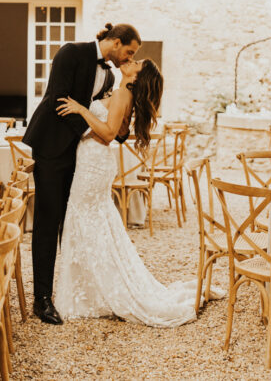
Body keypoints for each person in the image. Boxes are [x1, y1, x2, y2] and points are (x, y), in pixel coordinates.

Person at [53, 59, 215, 327]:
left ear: (137, 77)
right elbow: (121, 132)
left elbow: (107, 134)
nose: (131, 60)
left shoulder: (120, 94)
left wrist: (82, 109)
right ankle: (90, 291)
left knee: (84, 221)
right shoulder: (122, 94)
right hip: (96, 161)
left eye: (137, 62)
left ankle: (89, 295)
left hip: (94, 162)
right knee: (95, 223)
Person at [22, 22, 141, 324]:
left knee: (72, 223)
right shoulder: (70, 53)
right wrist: (96, 128)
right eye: (128, 52)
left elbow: (101, 115)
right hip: (50, 148)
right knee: (48, 221)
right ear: (115, 42)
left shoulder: (111, 75)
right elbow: (59, 101)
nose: (128, 59)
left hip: (81, 155)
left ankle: (71, 292)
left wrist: (114, 125)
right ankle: (42, 299)